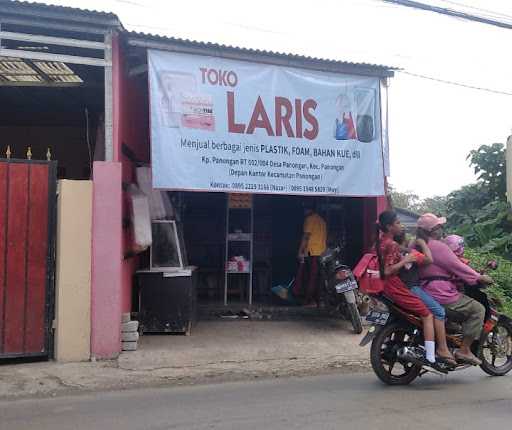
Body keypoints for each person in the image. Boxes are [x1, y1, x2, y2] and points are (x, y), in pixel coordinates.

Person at [417, 213, 492, 366]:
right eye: (439, 227)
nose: (442, 229)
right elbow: (458, 267)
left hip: (422, 290)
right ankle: (464, 350)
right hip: (440, 293)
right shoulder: (438, 247)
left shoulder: (416, 244)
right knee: (478, 309)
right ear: (434, 230)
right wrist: (479, 277)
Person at [376, 211, 438, 366]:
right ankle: (430, 357)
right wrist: (407, 260)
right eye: (397, 223)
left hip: (382, 287)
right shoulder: (392, 245)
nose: (400, 225)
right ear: (390, 227)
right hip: (394, 286)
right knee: (428, 314)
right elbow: (388, 271)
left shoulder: (380, 242)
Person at [394, 231, 457, 365]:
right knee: (439, 312)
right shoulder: (409, 253)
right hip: (412, 288)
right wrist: (422, 243)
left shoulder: (393, 251)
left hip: (398, 288)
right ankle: (440, 350)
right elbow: (429, 259)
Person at [296, 200, 327, 307]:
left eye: (305, 209)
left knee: (310, 277)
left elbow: (306, 236)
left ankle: (309, 300)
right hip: (322, 253)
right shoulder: (321, 220)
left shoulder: (309, 219)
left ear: (308, 209)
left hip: (312, 252)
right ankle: (319, 300)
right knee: (319, 277)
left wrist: (300, 251)